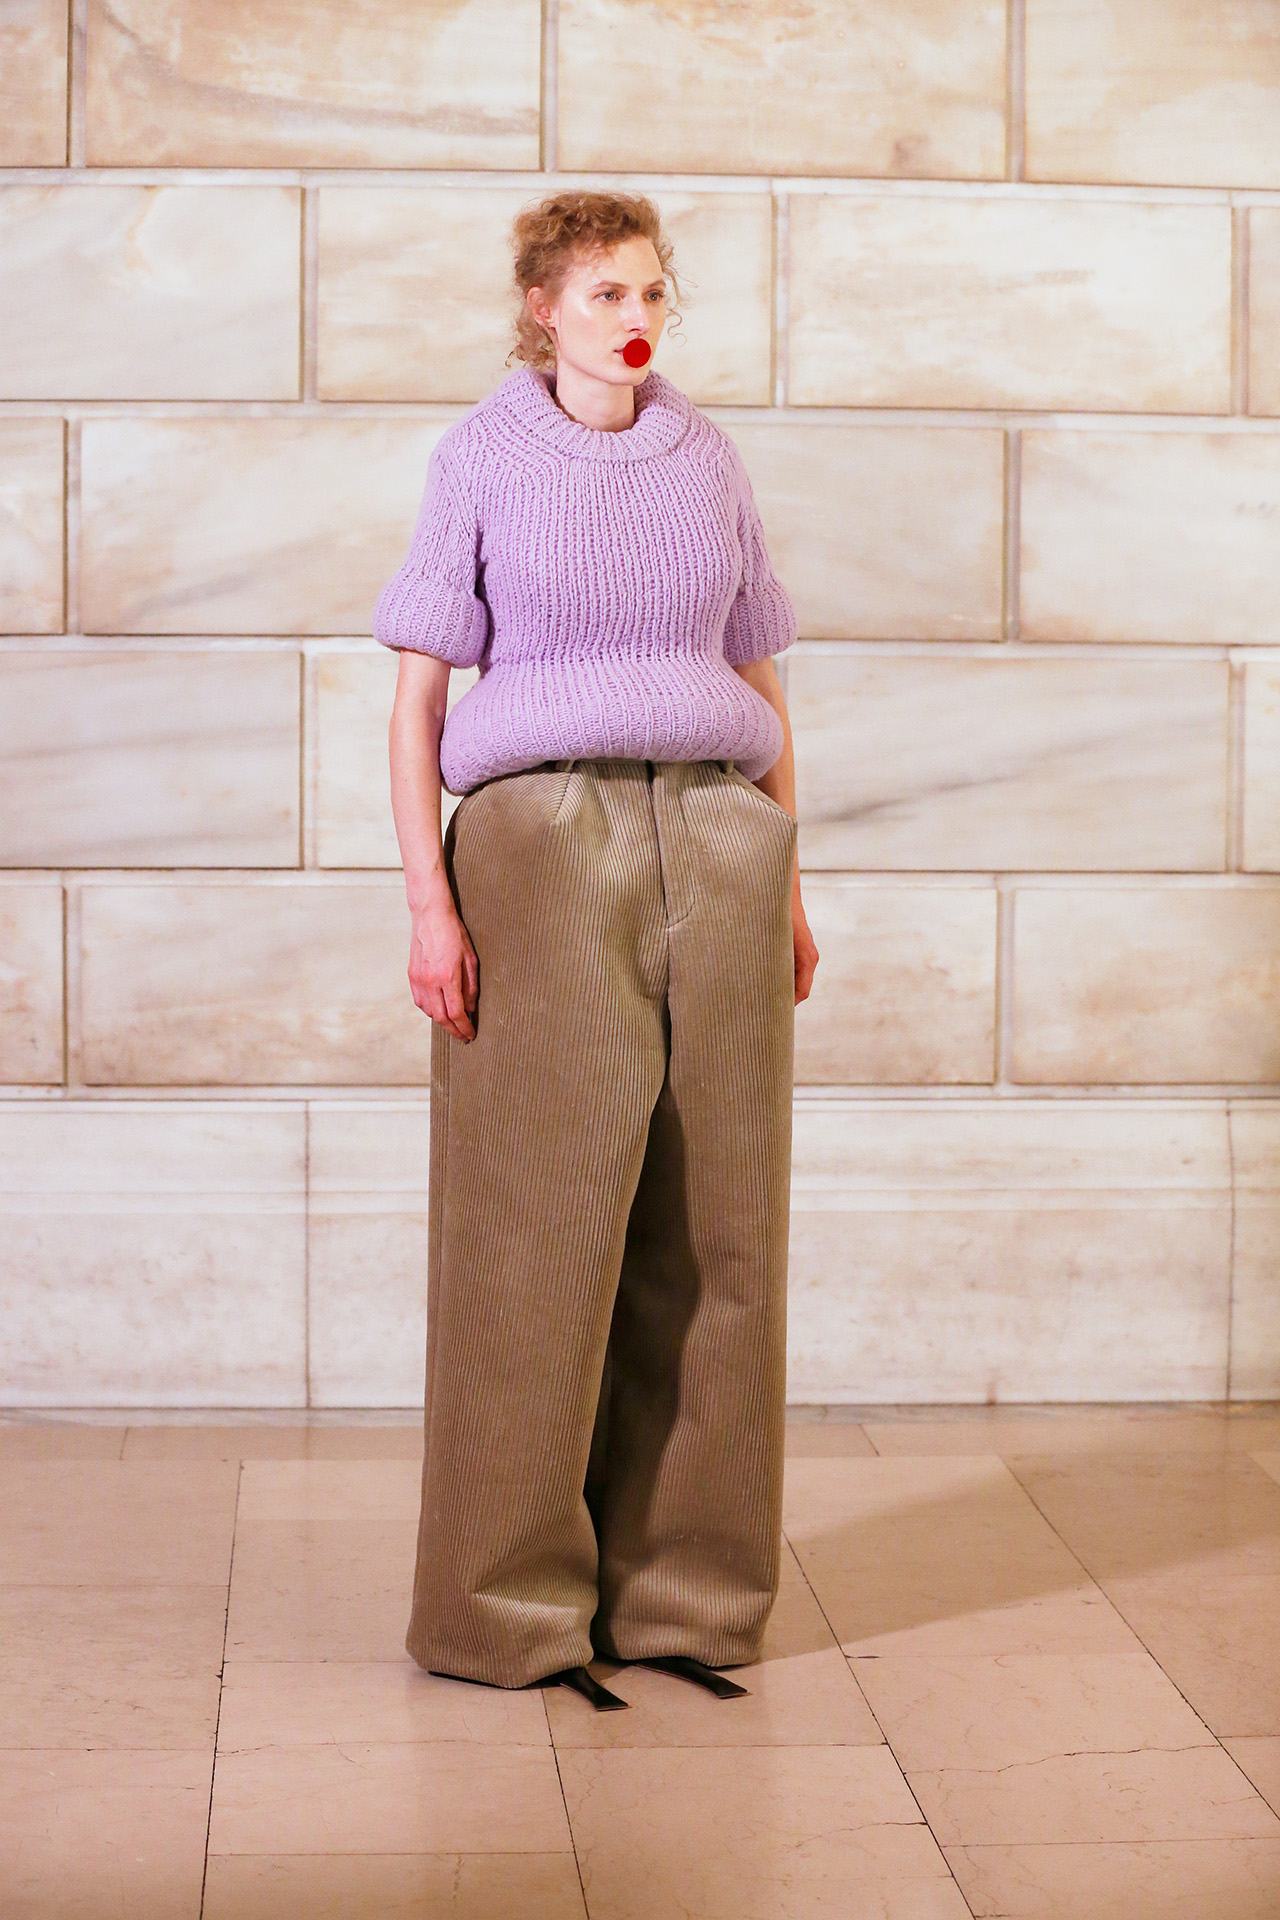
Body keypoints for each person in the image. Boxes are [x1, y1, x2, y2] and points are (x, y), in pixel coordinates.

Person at [373, 189, 819, 1712]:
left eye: (650, 292)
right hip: (539, 838)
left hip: (720, 833)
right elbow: (417, 706)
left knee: (725, 1228)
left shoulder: (709, 460)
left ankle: (687, 1602)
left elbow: (759, 674)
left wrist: (789, 872)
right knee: (535, 1226)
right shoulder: (481, 459)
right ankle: (505, 1611)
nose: (633, 317)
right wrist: (429, 905)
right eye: (603, 293)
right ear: (542, 309)